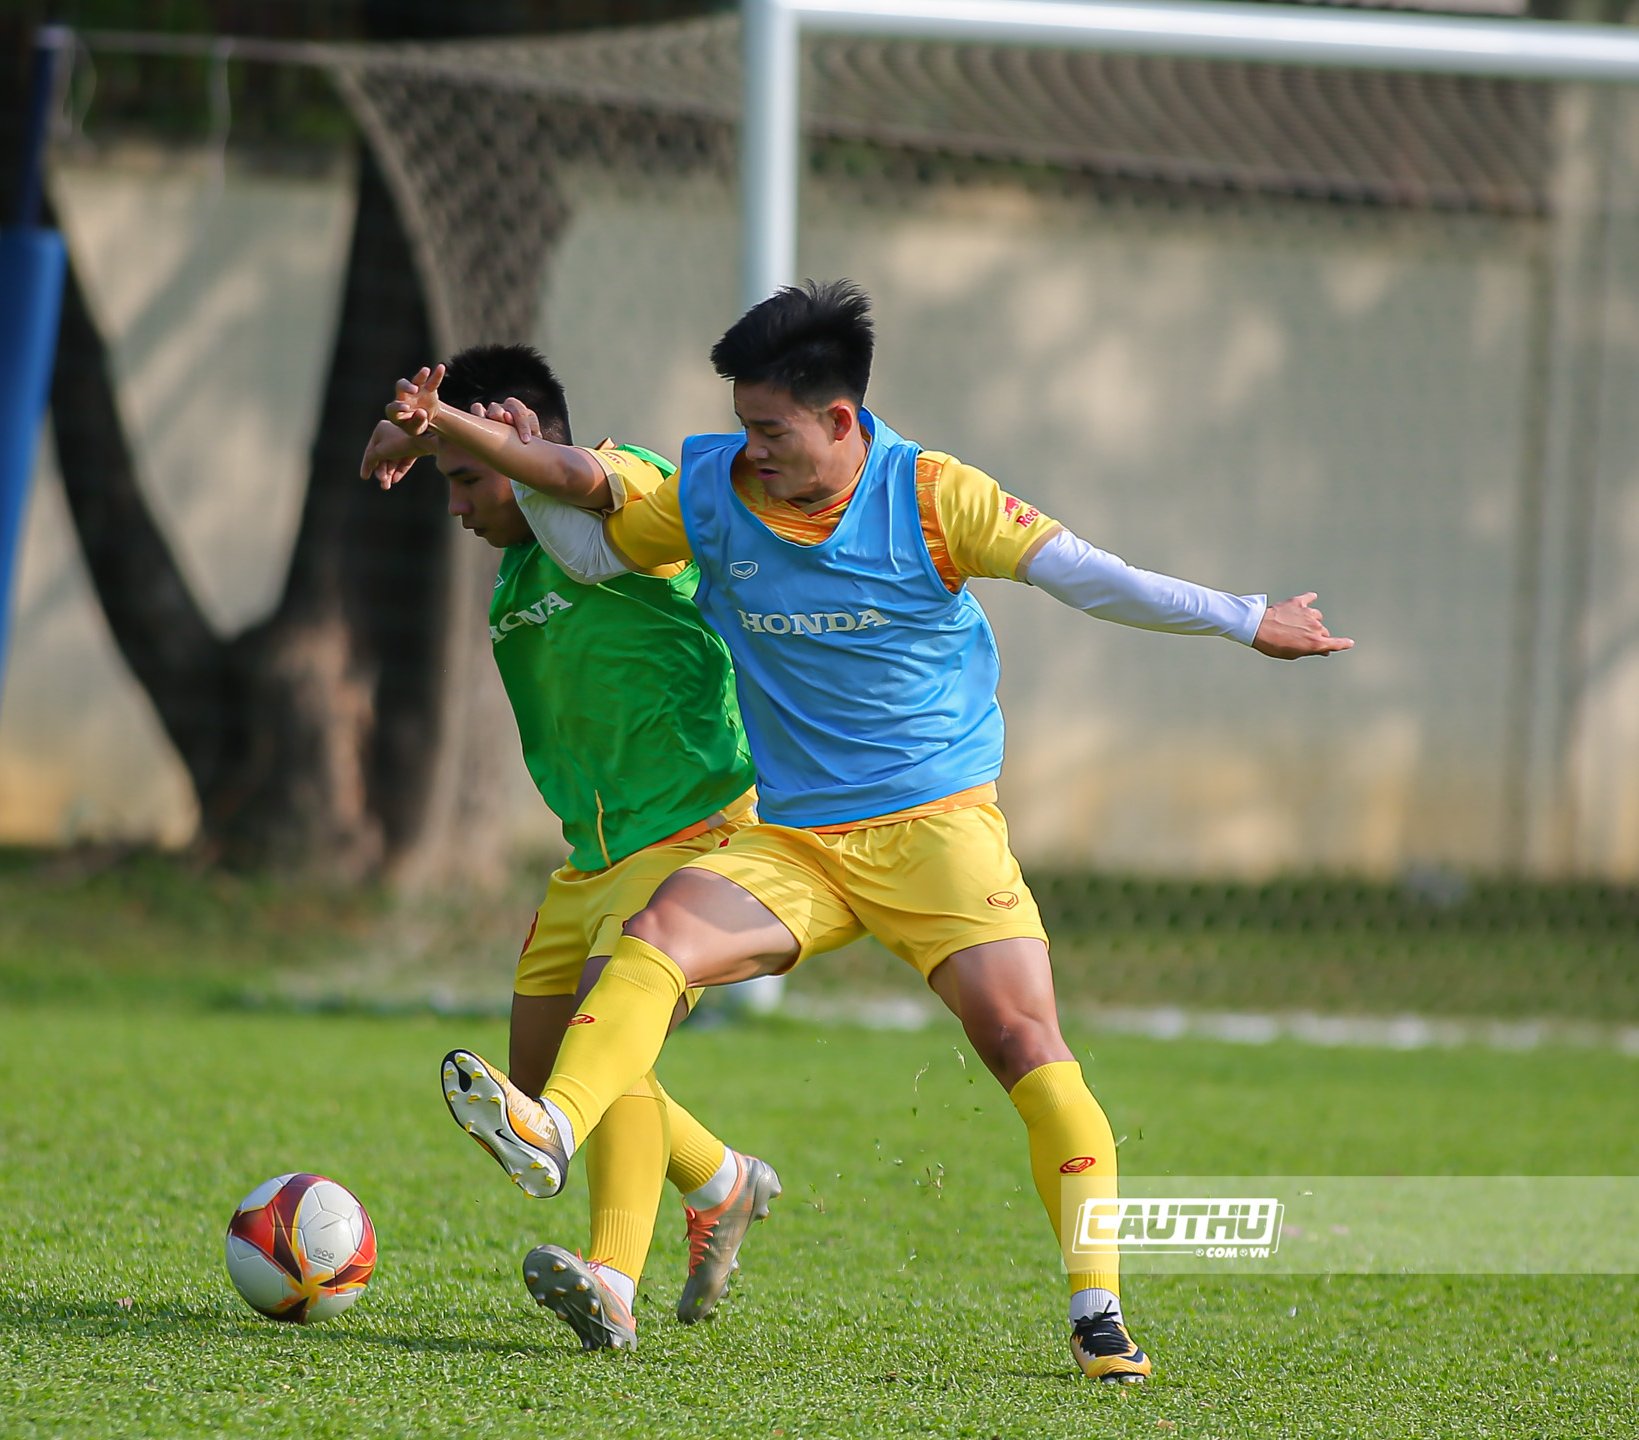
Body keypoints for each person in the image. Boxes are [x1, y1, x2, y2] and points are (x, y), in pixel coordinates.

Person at [391, 282, 1352, 1385]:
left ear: (841, 421)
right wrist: (449, 431)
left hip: (936, 832)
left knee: (1025, 1049)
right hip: (795, 840)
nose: (751, 452)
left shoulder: (936, 498)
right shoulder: (714, 486)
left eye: (772, 431)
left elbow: (1093, 578)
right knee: (658, 934)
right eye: (743, 426)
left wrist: (1246, 619)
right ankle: (556, 1127)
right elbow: (594, 515)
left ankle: (1098, 1312)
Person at [359, 344, 782, 1352]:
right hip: (588, 863)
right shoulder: (514, 575)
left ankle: (612, 1285)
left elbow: (585, 481)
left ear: (522, 444)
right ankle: (722, 1182)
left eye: (467, 480)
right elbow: (420, 454)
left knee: (603, 1055)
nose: (456, 505)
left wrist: (503, 448)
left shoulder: (622, 496)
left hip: (698, 830)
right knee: (551, 1084)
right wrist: (405, 437)